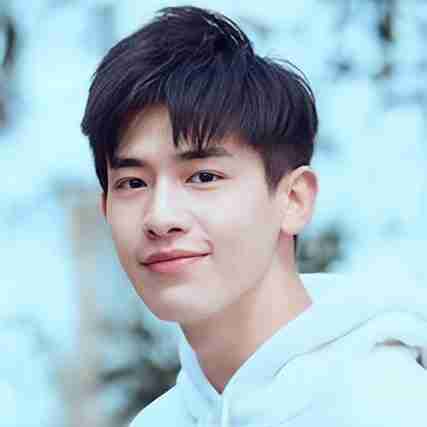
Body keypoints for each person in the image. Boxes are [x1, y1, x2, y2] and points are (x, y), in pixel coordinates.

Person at [81, 6, 427, 426]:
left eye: (203, 177)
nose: (160, 216)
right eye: (133, 183)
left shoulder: (388, 406)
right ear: (105, 208)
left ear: (294, 199)